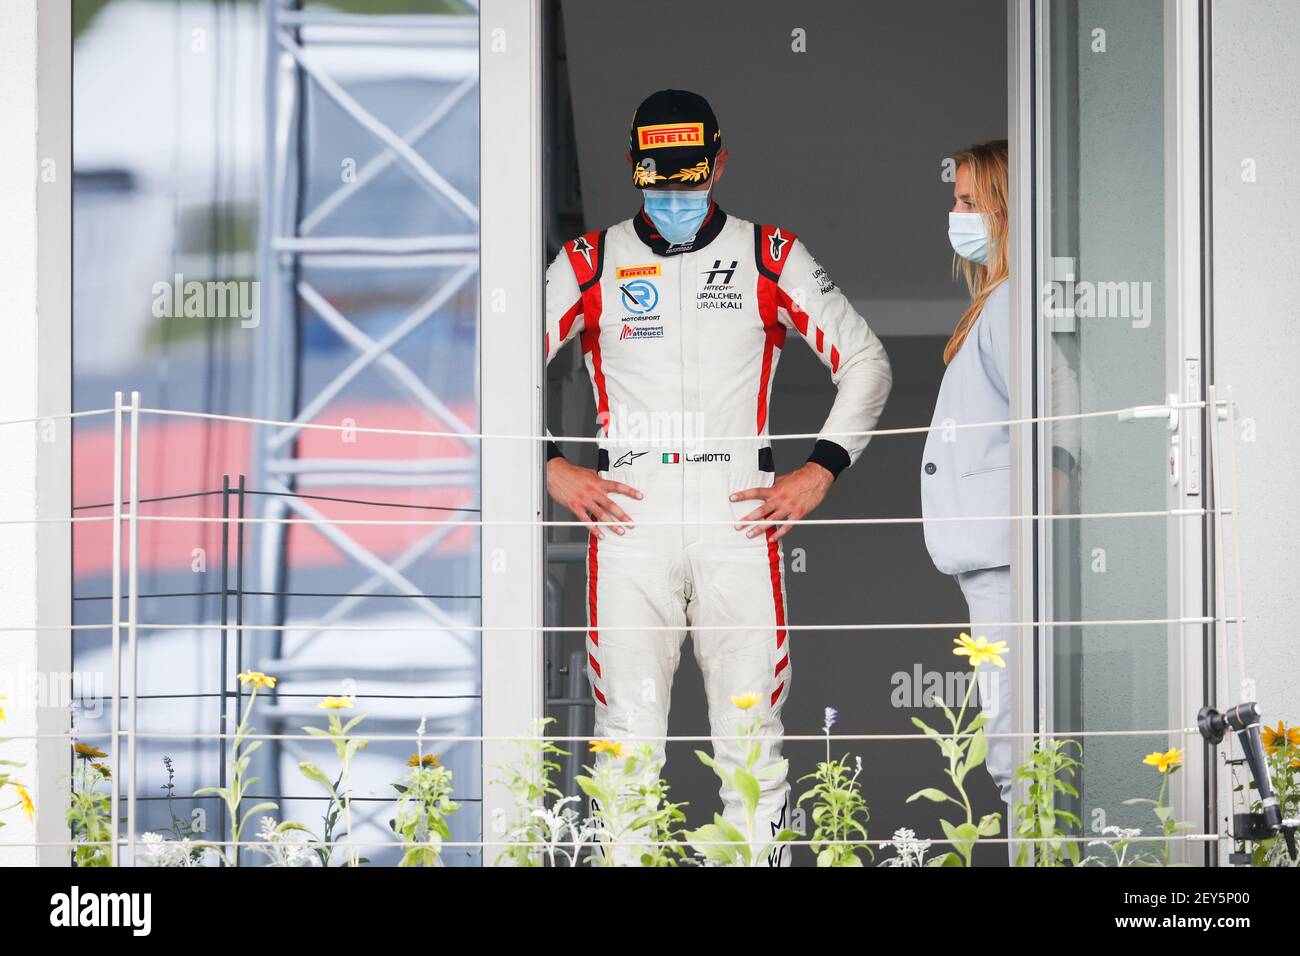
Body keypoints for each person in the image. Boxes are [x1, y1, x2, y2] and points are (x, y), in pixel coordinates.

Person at [544, 89, 892, 864]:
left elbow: (867, 361)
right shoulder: (588, 260)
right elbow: (491, 367)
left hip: (740, 517)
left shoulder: (770, 253)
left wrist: (820, 470)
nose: (671, 194)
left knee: (750, 742)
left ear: (720, 162)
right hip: (627, 519)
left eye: (687, 176)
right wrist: (550, 466)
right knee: (626, 743)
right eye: (655, 180)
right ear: (633, 170)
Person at [920, 140, 1078, 827]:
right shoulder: (1000, 301)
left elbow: (1058, 413)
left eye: (967, 201)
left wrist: (1050, 516)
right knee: (1017, 745)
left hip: (1013, 561)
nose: (954, 213)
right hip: (1000, 558)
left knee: (1017, 751)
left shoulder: (1015, 301)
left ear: (1006, 208)